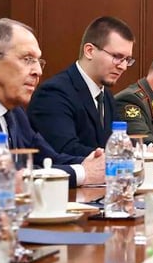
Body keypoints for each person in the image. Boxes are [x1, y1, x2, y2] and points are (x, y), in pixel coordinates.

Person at [0, 18, 106, 187]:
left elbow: (48, 159)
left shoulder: (13, 108)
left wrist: (91, 163)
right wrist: (82, 173)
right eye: (27, 59)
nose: (38, 71)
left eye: (39, 62)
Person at [28, 16, 134, 157]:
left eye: (127, 59)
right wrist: (122, 155)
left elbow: (117, 142)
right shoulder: (53, 93)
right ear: (89, 51)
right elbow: (66, 150)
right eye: (117, 57)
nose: (123, 67)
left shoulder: (105, 95)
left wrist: (146, 149)